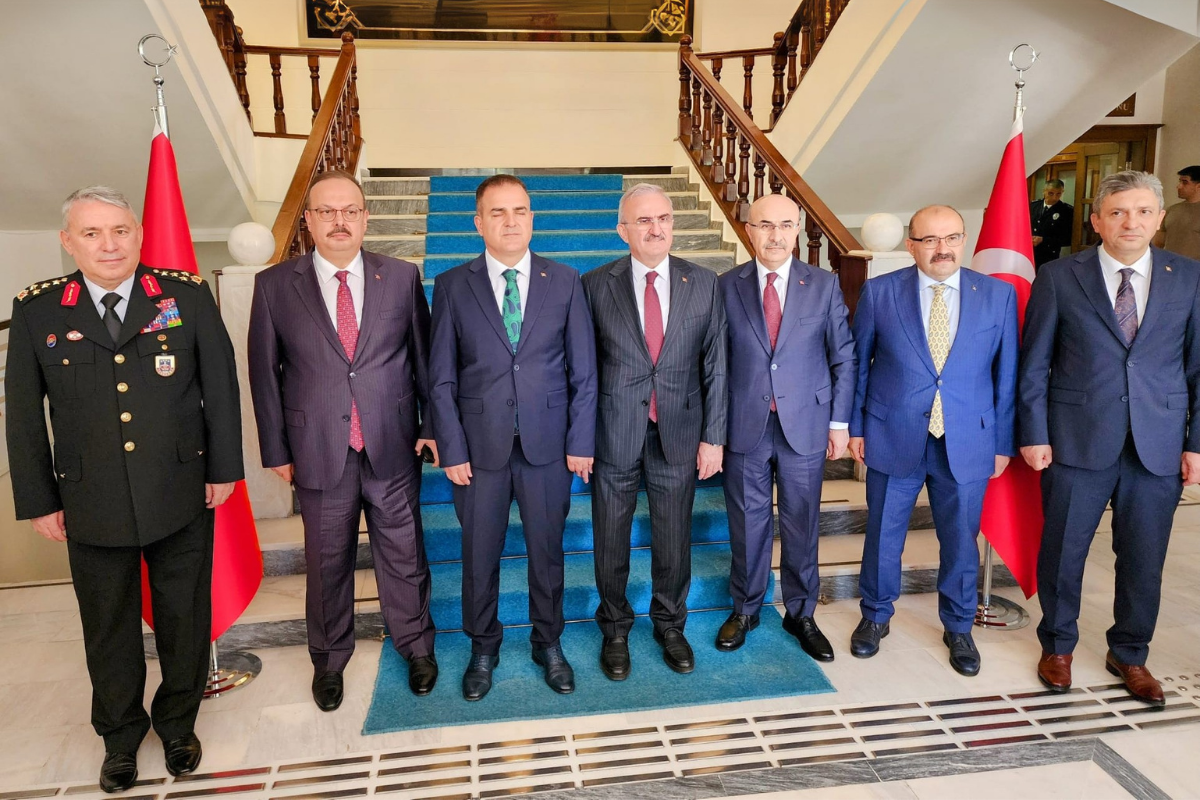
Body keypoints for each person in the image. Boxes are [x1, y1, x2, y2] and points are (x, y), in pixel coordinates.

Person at [5, 186, 243, 792]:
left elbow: (220, 387)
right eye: (92, 233)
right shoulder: (38, 309)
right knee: (107, 625)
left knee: (183, 617)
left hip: (180, 489)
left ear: (138, 233)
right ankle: (119, 737)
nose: (109, 244)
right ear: (69, 242)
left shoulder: (184, 296)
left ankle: (179, 724)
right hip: (91, 499)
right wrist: (39, 499)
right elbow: (24, 415)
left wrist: (223, 469)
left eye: (120, 230)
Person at [249, 171, 439, 711]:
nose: (340, 221)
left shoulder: (400, 276)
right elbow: (264, 374)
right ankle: (329, 660)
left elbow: (423, 359)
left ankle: (417, 647)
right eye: (327, 212)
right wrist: (276, 449)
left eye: (350, 210)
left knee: (404, 555)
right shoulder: (274, 285)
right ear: (308, 221)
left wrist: (431, 426)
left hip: (392, 444)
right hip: (317, 449)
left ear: (365, 218)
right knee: (327, 561)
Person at [1019, 170, 1200, 705]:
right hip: (1075, 439)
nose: (1131, 222)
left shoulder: (1189, 277)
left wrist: (1195, 443)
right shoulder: (1058, 276)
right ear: (1097, 220)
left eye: (1143, 211)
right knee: (1063, 550)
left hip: (1157, 443)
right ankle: (1057, 646)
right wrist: (1034, 432)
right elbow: (1035, 365)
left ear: (1159, 218)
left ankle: (1130, 652)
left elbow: (1197, 369)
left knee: (1144, 556)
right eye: (1118, 212)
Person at [428, 174, 597, 701]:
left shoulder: (565, 280)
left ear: (532, 218)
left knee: (547, 552)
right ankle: (484, 647)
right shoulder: (452, 285)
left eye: (520, 211)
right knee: (480, 555)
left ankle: (549, 643)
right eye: (497, 212)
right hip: (478, 451)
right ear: (478, 223)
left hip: (548, 446)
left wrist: (581, 440)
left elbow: (584, 372)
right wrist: (451, 447)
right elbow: (440, 378)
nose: (510, 221)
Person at [848, 205, 1018, 677]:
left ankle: (959, 626)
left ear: (964, 240)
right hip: (893, 432)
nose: (942, 248)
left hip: (967, 439)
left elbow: (1007, 377)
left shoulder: (997, 295)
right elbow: (859, 365)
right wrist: (856, 427)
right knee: (883, 534)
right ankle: (875, 616)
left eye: (952, 238)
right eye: (929, 239)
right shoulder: (880, 292)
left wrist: (1002, 442)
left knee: (960, 540)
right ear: (911, 244)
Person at [582, 183, 728, 680]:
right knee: (610, 536)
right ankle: (614, 628)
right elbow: (581, 368)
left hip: (679, 430)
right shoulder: (594, 284)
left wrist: (713, 436)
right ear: (622, 230)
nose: (656, 228)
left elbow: (716, 366)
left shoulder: (703, 282)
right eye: (643, 220)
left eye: (663, 218)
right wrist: (579, 439)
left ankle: (670, 624)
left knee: (673, 535)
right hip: (614, 430)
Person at [717, 193, 855, 658]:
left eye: (785, 225)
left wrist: (839, 422)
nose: (775, 235)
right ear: (749, 230)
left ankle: (801, 613)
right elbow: (715, 363)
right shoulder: (725, 285)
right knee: (747, 523)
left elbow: (843, 357)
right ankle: (746, 609)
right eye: (765, 225)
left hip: (806, 424)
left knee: (802, 523)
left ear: (797, 231)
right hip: (744, 425)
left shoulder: (824, 285)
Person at [1152, 165, 1200, 260]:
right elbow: (1158, 243)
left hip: (1194, 267)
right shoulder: (1172, 210)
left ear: (1198, 186)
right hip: (1169, 265)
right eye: (1180, 182)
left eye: (1185, 182)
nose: (1179, 186)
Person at [1030, 179, 1074, 268]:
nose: (1054, 197)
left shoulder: (1066, 211)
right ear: (1044, 191)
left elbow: (1068, 238)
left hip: (1049, 255)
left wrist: (1044, 240)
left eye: (1058, 194)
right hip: (1030, 252)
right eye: (1051, 193)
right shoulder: (1033, 206)